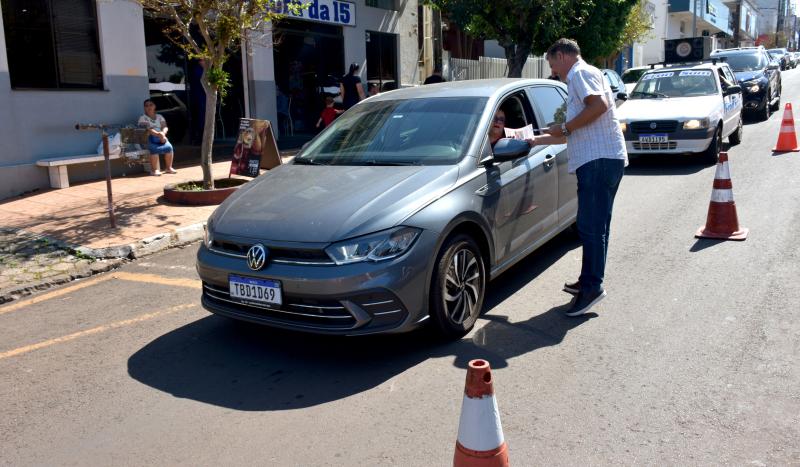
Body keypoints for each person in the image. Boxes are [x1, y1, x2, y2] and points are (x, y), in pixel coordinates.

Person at [526, 38, 627, 317]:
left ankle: (592, 288)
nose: (553, 70)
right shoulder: (584, 75)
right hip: (602, 160)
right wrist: (536, 139)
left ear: (561, 55)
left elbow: (599, 106)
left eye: (552, 64)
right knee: (597, 227)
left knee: (591, 227)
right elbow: (572, 131)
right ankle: (589, 280)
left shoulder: (580, 73)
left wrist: (565, 128)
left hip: (598, 161)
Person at [138, 99, 177, 176]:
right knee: (154, 149)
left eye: (151, 105)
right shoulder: (142, 118)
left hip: (161, 136)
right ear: (144, 108)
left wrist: (163, 133)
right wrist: (159, 134)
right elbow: (148, 130)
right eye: (146, 106)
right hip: (148, 138)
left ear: (154, 106)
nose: (149, 107)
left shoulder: (160, 116)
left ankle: (168, 168)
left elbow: (165, 126)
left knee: (169, 147)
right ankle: (154, 170)